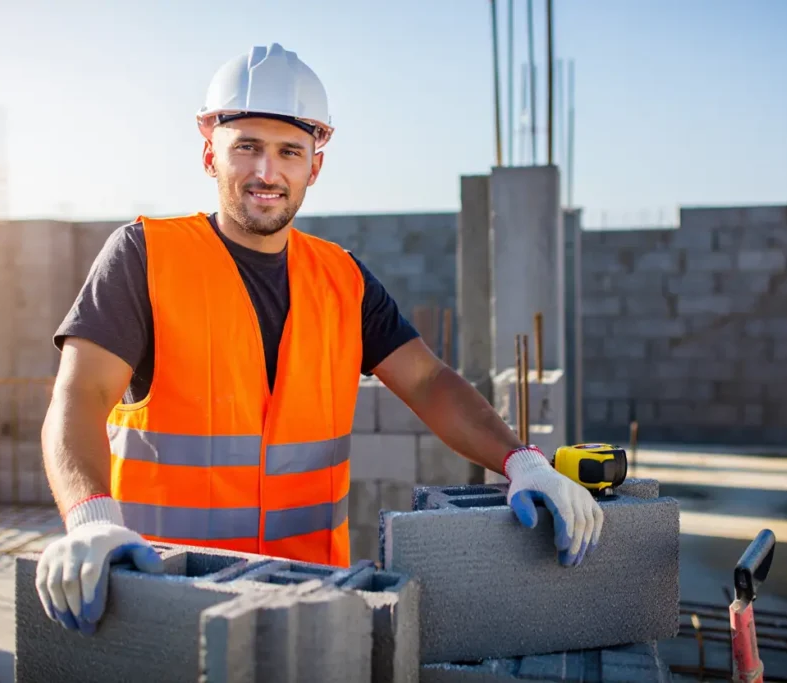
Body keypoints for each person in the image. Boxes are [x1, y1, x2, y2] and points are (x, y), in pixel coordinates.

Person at [34, 42, 604, 635]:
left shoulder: (343, 279)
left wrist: (523, 461)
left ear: (315, 165)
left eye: (288, 152)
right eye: (246, 147)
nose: (266, 172)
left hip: (309, 603)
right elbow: (78, 398)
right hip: (167, 597)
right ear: (210, 155)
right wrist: (92, 518)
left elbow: (430, 381)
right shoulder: (145, 256)